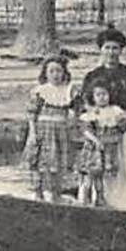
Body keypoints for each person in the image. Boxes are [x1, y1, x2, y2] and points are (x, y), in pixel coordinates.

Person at [79, 27, 126, 210]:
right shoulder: (92, 76)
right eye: (107, 48)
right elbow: (84, 104)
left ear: (121, 50)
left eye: (115, 48)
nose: (111, 52)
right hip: (103, 130)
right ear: (100, 50)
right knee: (102, 168)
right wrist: (99, 116)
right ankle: (103, 204)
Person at [25, 55, 80, 199]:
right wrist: (32, 133)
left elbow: (77, 111)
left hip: (61, 131)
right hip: (43, 131)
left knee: (58, 165)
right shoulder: (40, 91)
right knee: (40, 163)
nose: (55, 75)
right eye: (51, 71)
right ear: (45, 73)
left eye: (58, 71)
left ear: (64, 73)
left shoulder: (69, 90)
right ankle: (38, 194)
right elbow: (32, 114)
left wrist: (72, 122)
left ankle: (56, 194)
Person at [77, 83, 126, 206]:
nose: (102, 97)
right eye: (98, 95)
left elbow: (122, 128)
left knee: (103, 176)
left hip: (110, 148)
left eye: (104, 94)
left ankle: (100, 198)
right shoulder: (92, 113)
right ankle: (85, 199)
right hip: (94, 148)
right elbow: (85, 130)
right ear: (93, 97)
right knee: (91, 175)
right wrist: (96, 140)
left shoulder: (115, 111)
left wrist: (121, 122)